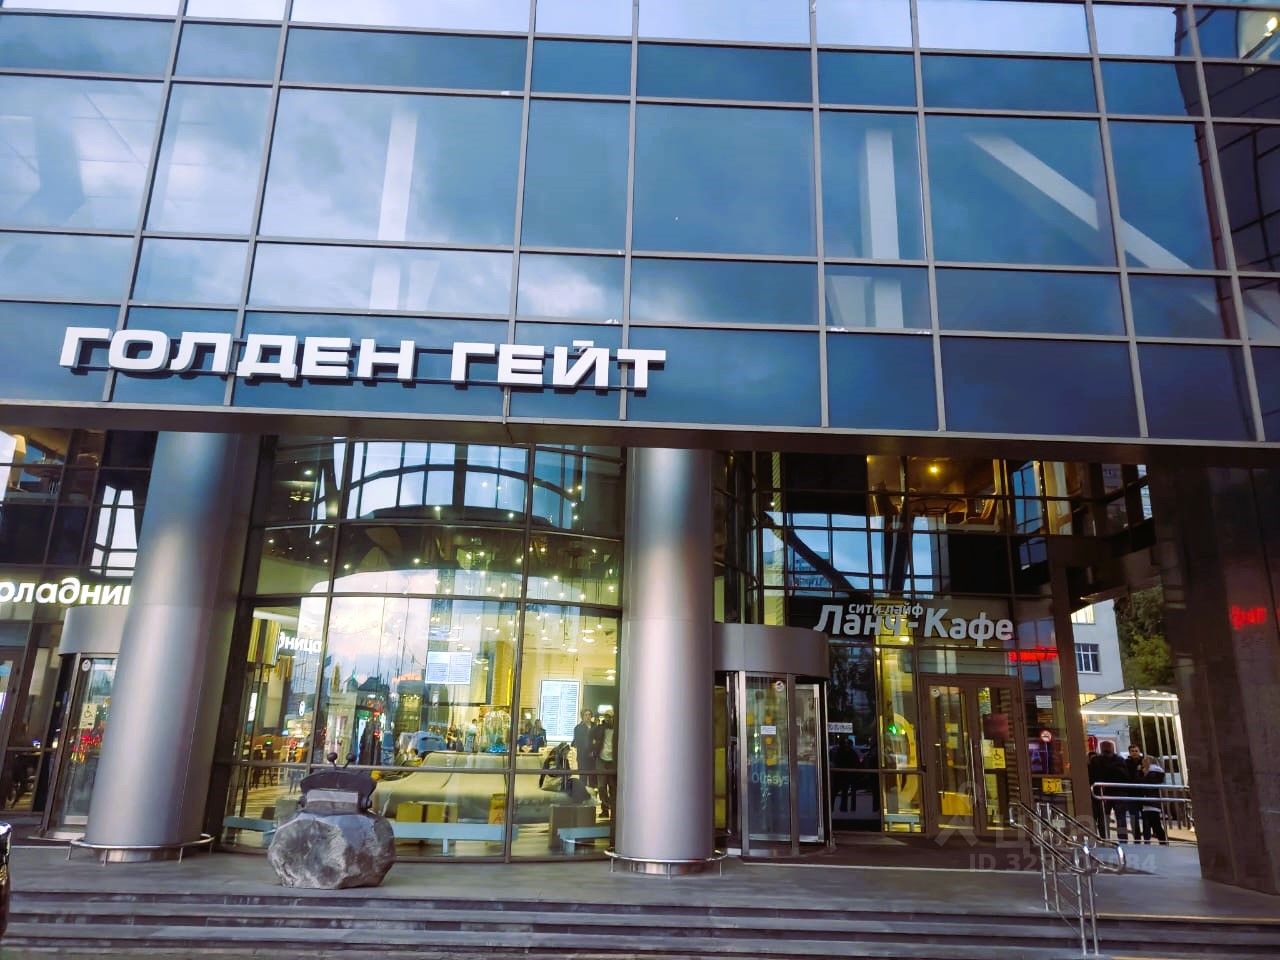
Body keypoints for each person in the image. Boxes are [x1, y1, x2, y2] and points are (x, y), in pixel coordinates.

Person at [1088, 741, 1131, 840]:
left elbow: (1092, 776)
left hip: (1104, 792)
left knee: (1105, 818)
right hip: (1117, 792)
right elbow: (1126, 776)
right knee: (1119, 818)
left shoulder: (1096, 760)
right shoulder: (1119, 760)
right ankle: (1122, 839)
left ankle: (1105, 838)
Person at [1139, 756, 1169, 845]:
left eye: (1144, 761)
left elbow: (1147, 784)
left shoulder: (1153, 772)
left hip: (1152, 801)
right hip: (1149, 801)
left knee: (1155, 824)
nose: (1142, 763)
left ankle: (1163, 842)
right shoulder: (1151, 772)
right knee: (1151, 824)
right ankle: (1160, 841)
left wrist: (1144, 774)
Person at [594, 712, 617, 819]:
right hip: (601, 759)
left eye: (610, 717)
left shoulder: (618, 730)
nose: (608, 719)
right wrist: (592, 751)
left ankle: (613, 811)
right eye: (607, 717)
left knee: (612, 787)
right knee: (601, 787)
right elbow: (591, 737)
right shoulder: (600, 728)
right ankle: (605, 808)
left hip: (613, 761)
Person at [1124, 745, 1145, 839]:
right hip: (1131, 793)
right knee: (1134, 817)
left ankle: (1146, 837)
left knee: (1145, 817)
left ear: (1139, 751)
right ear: (1129, 752)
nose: (1134, 753)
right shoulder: (1126, 763)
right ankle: (1137, 837)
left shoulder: (1144, 761)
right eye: (1132, 751)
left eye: (1136, 751)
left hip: (1143, 793)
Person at [573, 710, 597, 786]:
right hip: (582, 755)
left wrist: (593, 749)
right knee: (583, 777)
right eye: (586, 715)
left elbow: (598, 740)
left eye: (589, 714)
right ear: (582, 716)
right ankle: (582, 791)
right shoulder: (578, 728)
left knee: (593, 777)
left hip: (593, 755)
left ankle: (593, 790)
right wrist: (591, 742)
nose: (588, 716)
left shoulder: (595, 726)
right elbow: (578, 742)